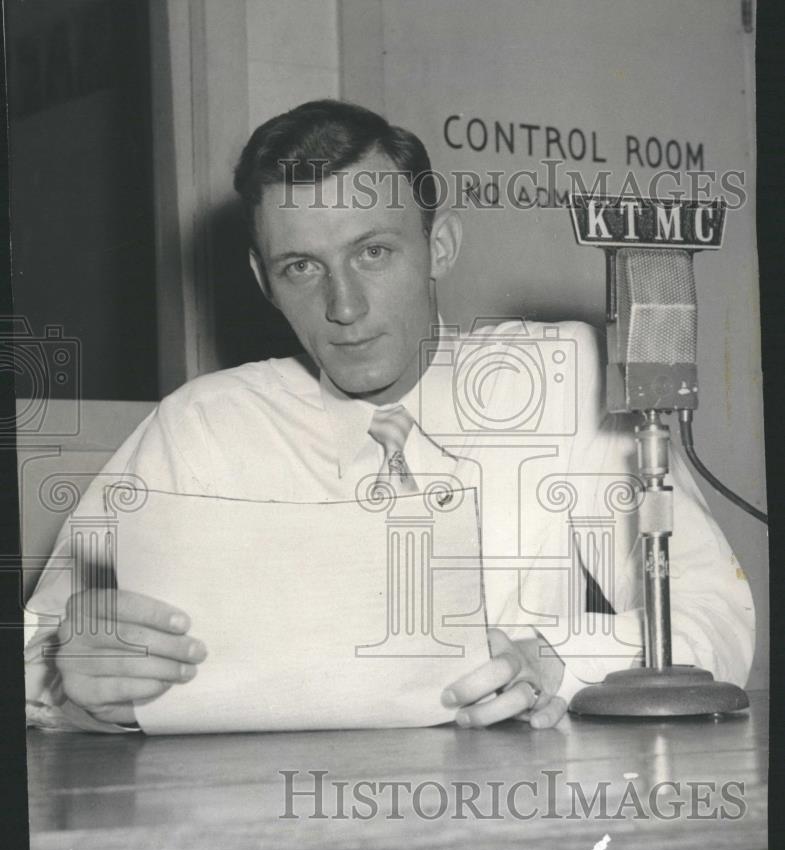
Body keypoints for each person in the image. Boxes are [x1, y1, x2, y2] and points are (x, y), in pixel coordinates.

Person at [24, 100, 754, 733]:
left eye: (372, 252)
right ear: (262, 281)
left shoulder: (564, 384)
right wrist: (67, 678)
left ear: (439, 247)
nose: (343, 307)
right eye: (302, 267)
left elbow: (711, 613)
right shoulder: (200, 429)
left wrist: (560, 662)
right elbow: (39, 645)